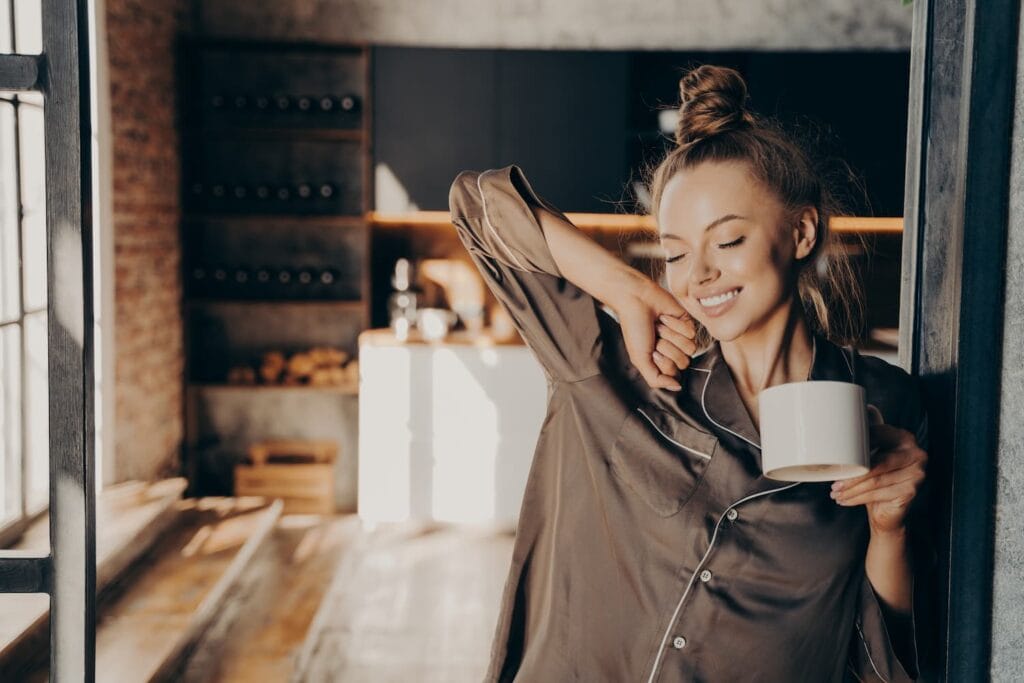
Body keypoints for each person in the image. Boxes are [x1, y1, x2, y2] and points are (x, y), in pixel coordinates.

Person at [447, 64, 934, 683]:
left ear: (802, 231)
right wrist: (625, 289)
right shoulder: (618, 373)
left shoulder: (888, 406)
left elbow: (886, 651)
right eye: (675, 252)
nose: (697, 274)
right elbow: (478, 204)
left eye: (727, 241)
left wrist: (889, 530)